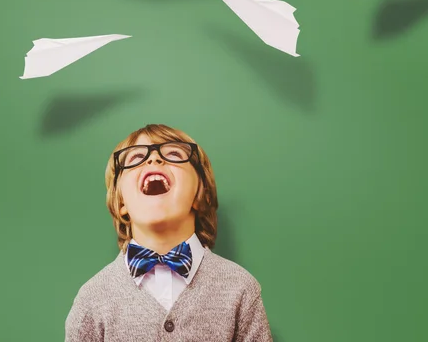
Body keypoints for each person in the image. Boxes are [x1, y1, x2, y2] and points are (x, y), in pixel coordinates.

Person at [65, 123, 273, 341]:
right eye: (135, 158)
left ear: (200, 195)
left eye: (174, 154)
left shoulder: (240, 289)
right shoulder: (92, 299)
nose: (153, 160)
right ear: (120, 202)